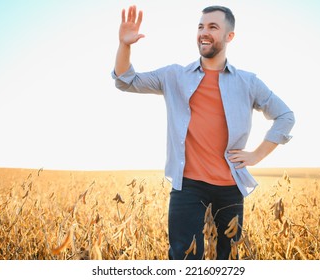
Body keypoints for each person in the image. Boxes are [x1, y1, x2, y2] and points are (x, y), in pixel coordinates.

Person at [112, 5, 295, 260]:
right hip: (187, 186)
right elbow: (125, 81)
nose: (204, 32)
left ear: (229, 36)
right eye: (200, 26)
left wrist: (257, 155)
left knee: (228, 259)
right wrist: (125, 45)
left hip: (230, 187)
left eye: (212, 27)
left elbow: (285, 116)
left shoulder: (248, 82)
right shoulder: (174, 75)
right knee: (183, 259)